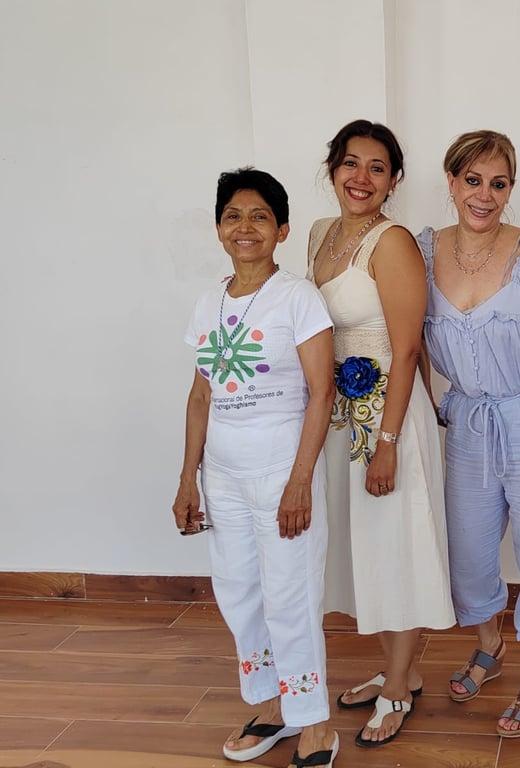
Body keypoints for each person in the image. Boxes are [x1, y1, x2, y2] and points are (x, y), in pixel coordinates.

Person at [173, 168, 338, 768]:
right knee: (240, 593)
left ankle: (315, 723)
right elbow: (200, 397)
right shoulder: (208, 301)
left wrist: (299, 482)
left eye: (260, 217)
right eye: (234, 216)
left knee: (290, 595)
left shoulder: (297, 297)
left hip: (280, 473)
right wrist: (188, 478)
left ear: (282, 230)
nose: (245, 228)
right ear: (219, 228)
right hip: (223, 475)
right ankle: (272, 708)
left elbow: (322, 393)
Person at [416, 130, 520, 738]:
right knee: (470, 553)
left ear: (512, 188)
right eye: (473, 180)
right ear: (452, 180)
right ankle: (492, 642)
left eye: (499, 183)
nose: (485, 195)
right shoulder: (425, 249)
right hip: (467, 420)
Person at [307, 119, 455, 747]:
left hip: (388, 413)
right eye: (350, 163)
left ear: (394, 180)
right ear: (332, 168)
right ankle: (404, 668)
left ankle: (398, 686)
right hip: (342, 409)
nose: (360, 178)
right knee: (366, 543)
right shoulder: (319, 234)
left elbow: (407, 346)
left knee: (397, 542)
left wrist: (389, 443)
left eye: (376, 167)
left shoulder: (391, 243)